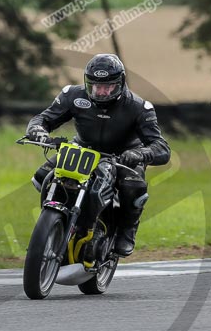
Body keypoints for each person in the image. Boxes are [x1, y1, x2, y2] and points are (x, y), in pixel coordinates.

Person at [25, 53, 170, 256]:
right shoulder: (72, 95)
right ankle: (52, 227)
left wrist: (140, 154)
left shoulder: (139, 107)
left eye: (107, 87)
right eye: (95, 86)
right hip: (82, 150)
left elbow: (161, 147)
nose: (100, 92)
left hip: (122, 157)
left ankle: (127, 230)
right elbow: (43, 119)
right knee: (42, 177)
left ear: (120, 83)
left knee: (132, 185)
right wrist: (38, 131)